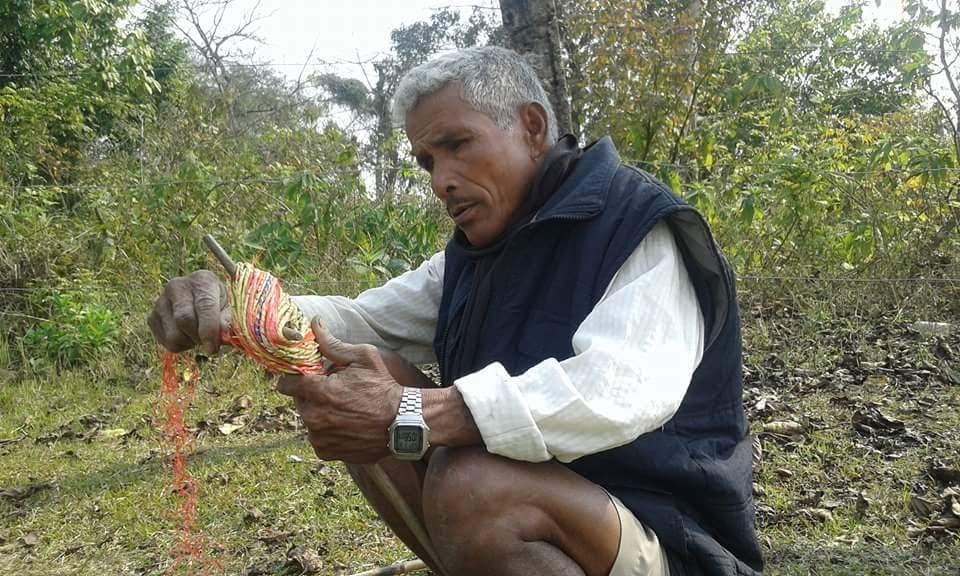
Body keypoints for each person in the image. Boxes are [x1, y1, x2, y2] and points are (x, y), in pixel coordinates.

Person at [149, 46, 763, 576]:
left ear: (531, 127)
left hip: (671, 542)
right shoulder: (479, 253)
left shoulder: (639, 227)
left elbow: (622, 390)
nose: (441, 179)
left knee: (471, 485)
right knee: (353, 374)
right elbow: (360, 322)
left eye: (457, 146)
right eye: (426, 162)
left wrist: (415, 412)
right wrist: (237, 311)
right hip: (555, 521)